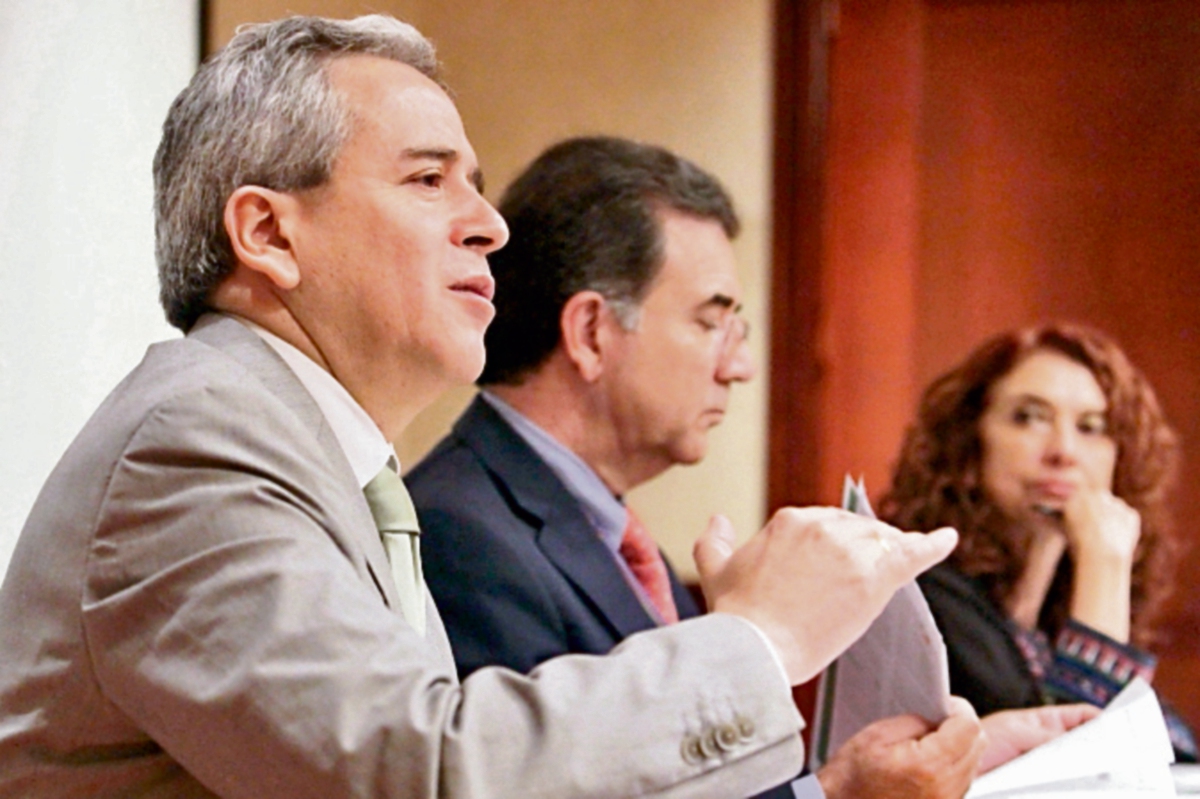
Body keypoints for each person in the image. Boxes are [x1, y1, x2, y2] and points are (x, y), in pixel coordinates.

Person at [0, 14, 967, 798]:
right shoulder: (199, 438)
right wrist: (764, 635)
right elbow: (419, 774)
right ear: (268, 234)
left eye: (477, 185)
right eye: (428, 180)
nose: (490, 224)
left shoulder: (322, 453)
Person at [408, 136, 1096, 799]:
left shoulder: (600, 526)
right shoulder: (458, 533)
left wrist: (933, 770)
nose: (740, 366)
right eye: (712, 323)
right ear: (591, 332)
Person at [880, 322, 1197, 760]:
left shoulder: (1051, 615)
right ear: (970, 444)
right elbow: (1080, 771)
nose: (1064, 450)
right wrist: (1104, 563)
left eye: (1091, 426)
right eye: (1029, 417)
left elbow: (1175, 748)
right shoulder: (926, 593)